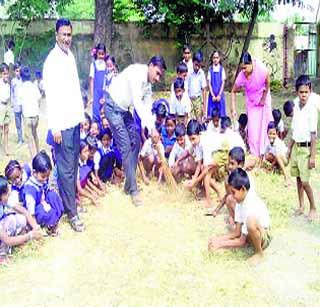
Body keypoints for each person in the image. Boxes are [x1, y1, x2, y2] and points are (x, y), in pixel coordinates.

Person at [104, 55, 166, 206]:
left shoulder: (148, 86)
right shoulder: (136, 73)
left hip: (124, 111)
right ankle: (133, 190)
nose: (158, 78)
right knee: (125, 146)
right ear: (150, 65)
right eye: (157, 73)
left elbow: (147, 107)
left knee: (136, 141)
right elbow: (138, 104)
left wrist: (152, 129)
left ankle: (128, 184)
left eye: (160, 76)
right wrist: (151, 129)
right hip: (112, 108)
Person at [43, 18, 85, 232]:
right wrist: (55, 127)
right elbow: (51, 96)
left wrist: (82, 116)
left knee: (74, 165)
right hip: (62, 126)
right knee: (66, 170)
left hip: (74, 121)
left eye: (70, 34)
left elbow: (75, 90)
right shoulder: (51, 61)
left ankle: (72, 202)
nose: (67, 38)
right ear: (56, 35)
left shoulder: (70, 57)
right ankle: (72, 213)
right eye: (64, 35)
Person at [208, 168, 271, 265]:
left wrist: (220, 244)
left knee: (250, 221)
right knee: (244, 228)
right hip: (252, 234)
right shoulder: (239, 202)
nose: (232, 196)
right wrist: (219, 238)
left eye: (233, 192)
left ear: (243, 189)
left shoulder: (250, 203)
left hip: (264, 235)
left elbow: (241, 241)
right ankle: (253, 242)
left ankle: (259, 253)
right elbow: (236, 232)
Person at [287, 75, 318, 221]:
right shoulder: (296, 107)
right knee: (298, 178)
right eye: (301, 92)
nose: (304, 95)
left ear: (310, 92)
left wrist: (312, 157)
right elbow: (294, 130)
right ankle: (301, 205)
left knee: (305, 181)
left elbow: (313, 135)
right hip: (296, 148)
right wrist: (289, 149)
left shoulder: (311, 110)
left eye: (306, 92)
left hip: (306, 149)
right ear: (297, 92)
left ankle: (313, 207)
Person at [231, 52, 273, 157]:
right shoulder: (241, 76)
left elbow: (268, 82)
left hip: (264, 99)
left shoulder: (261, 69)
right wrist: (233, 109)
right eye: (242, 68)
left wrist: (263, 98)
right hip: (252, 102)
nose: (244, 71)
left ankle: (266, 153)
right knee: (253, 130)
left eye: (245, 68)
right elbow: (233, 91)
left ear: (251, 64)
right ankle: (255, 155)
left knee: (265, 127)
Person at [0, 176, 42, 265]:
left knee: (21, 218)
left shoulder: (4, 201)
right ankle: (2, 256)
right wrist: (30, 235)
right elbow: (7, 240)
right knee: (10, 220)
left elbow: (24, 211)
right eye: (7, 193)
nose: (9, 194)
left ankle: (17, 242)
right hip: (3, 236)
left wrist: (36, 228)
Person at [23, 151, 64, 236]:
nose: (45, 179)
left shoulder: (41, 181)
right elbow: (31, 212)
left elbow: (46, 189)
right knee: (44, 212)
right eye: (43, 176)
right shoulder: (30, 189)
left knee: (53, 196)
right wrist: (35, 227)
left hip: (43, 201)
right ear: (34, 173)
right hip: (36, 209)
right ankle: (49, 226)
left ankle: (55, 218)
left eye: (47, 176)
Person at [18, 66, 41, 159]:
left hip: (27, 116)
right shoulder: (34, 86)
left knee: (30, 139)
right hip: (35, 115)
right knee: (35, 134)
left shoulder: (21, 88)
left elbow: (19, 105)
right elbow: (39, 99)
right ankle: (38, 153)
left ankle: (34, 158)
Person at [264, 121, 290, 186]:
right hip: (276, 158)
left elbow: (276, 157)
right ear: (267, 133)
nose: (272, 136)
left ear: (277, 134)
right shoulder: (268, 144)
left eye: (274, 134)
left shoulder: (278, 142)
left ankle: (286, 177)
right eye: (270, 133)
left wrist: (270, 167)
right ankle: (277, 168)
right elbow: (266, 155)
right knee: (268, 156)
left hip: (284, 159)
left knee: (277, 156)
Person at [89, 43, 107, 122]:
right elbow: (92, 81)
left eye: (102, 54)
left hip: (104, 92)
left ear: (105, 54)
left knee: (105, 113)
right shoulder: (93, 65)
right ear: (96, 53)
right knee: (96, 113)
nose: (101, 56)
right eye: (99, 54)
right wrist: (92, 96)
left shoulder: (106, 65)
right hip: (96, 92)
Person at [207, 50, 226, 118]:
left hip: (220, 96)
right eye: (214, 58)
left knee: (221, 114)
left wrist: (219, 95)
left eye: (217, 58)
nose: (215, 59)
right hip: (212, 97)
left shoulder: (222, 69)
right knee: (211, 114)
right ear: (212, 59)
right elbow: (209, 83)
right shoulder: (210, 69)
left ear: (219, 58)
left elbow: (223, 82)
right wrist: (212, 95)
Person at [188, 51, 207, 120]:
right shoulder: (188, 72)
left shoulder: (201, 73)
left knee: (199, 119)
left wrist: (204, 106)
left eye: (199, 65)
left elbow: (204, 89)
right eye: (196, 65)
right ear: (192, 62)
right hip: (189, 98)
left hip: (198, 99)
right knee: (189, 119)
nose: (197, 67)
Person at [11, 62, 24, 144]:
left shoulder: (23, 80)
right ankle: (20, 139)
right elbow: (12, 92)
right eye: (16, 71)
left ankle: (27, 137)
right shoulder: (13, 81)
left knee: (26, 122)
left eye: (19, 71)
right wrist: (12, 102)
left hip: (23, 104)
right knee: (18, 123)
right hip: (16, 105)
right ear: (14, 72)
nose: (18, 73)